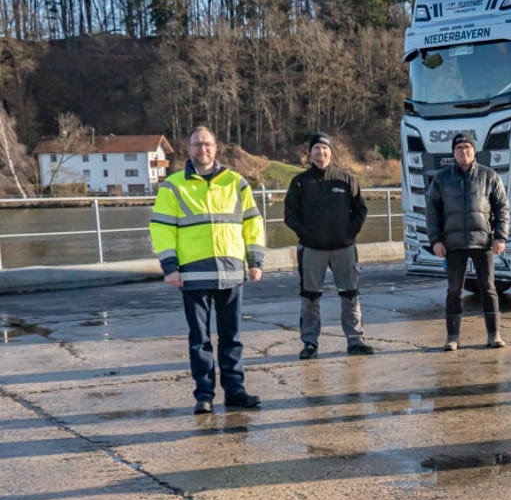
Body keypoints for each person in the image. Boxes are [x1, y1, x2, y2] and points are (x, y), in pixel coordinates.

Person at [149, 126, 265, 415]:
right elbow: (162, 229)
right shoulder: (173, 186)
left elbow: (252, 223)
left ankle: (235, 392)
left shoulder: (235, 182)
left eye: (208, 144)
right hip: (193, 275)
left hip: (231, 272)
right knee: (199, 340)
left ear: (216, 147)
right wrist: (170, 267)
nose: (203, 149)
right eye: (197, 144)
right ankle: (204, 395)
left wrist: (255, 260)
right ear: (188, 149)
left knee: (231, 337)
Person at [284, 132, 373, 360]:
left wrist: (349, 232)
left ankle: (356, 340)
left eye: (325, 148)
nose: (321, 152)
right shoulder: (300, 182)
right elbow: (290, 214)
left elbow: (360, 209)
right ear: (310, 153)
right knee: (310, 298)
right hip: (312, 249)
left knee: (350, 295)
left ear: (331, 152)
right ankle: (310, 343)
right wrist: (306, 233)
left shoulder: (346, 179)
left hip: (344, 248)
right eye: (316, 148)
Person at [426, 132, 510, 351]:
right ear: (453, 153)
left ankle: (494, 334)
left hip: (483, 242)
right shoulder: (442, 179)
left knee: (489, 288)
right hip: (453, 244)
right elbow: (432, 211)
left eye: (467, 148)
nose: (463, 152)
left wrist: (500, 237)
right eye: (459, 148)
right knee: (454, 290)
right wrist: (435, 240)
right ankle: (452, 337)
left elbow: (502, 208)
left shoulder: (489, 176)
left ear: (474, 151)